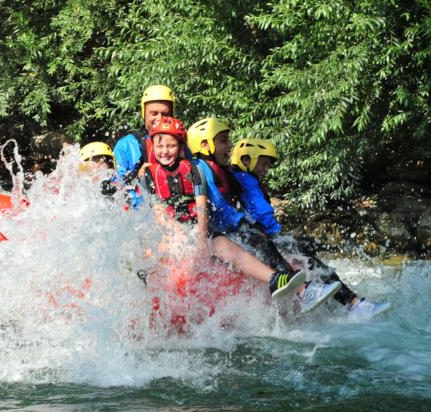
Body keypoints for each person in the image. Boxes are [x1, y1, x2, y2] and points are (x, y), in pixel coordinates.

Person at [138, 116, 334, 311]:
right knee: (148, 250)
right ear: (152, 147)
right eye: (160, 146)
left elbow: (201, 206)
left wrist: (199, 237)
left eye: (171, 146)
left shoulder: (194, 170)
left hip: (196, 228)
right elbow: (158, 213)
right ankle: (149, 298)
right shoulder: (148, 175)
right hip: (170, 229)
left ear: (181, 148)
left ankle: (275, 278)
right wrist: (178, 234)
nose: (165, 151)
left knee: (225, 246)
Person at [230, 138, 392, 319]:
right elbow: (259, 215)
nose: (266, 169)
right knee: (308, 258)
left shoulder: (246, 179)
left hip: (263, 236)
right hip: (260, 240)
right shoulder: (241, 179)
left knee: (307, 247)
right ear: (246, 160)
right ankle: (353, 304)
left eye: (268, 165)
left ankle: (339, 302)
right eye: (264, 163)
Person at [112, 85, 192, 207]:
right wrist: (136, 175)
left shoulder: (181, 145)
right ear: (144, 114)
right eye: (154, 113)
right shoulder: (126, 145)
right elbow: (117, 184)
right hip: (140, 214)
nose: (159, 119)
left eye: (165, 114)